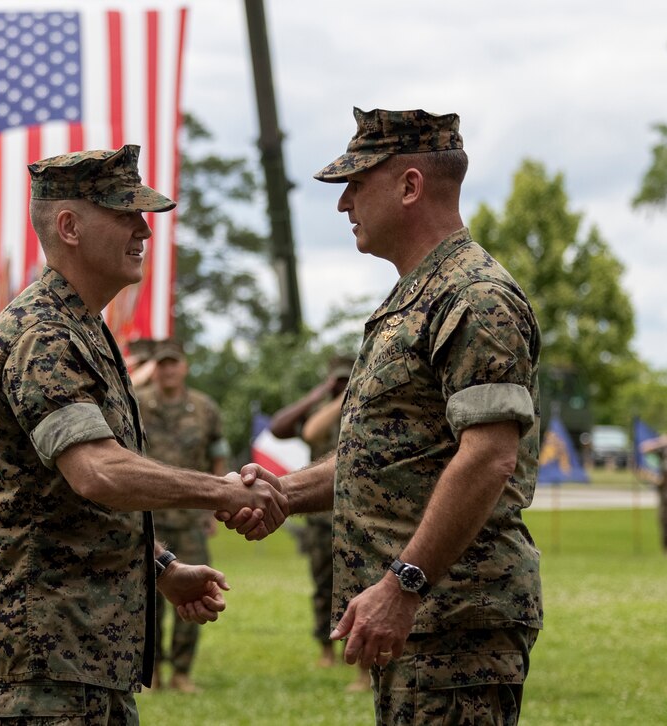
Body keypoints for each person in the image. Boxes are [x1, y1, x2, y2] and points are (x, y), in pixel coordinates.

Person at [223, 108, 543, 724]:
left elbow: (489, 455)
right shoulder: (417, 295)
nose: (344, 203)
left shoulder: (474, 297)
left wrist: (403, 585)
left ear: (410, 186)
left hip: (454, 618)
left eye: (356, 182)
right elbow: (387, 457)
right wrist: (284, 492)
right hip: (422, 617)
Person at [0, 145, 287, 724]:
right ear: (69, 226)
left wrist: (159, 567)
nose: (144, 230)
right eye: (124, 214)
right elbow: (98, 471)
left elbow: (61, 497)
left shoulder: (82, 331)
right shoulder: (43, 336)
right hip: (44, 666)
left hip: (81, 658)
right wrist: (221, 490)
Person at [268, 355, 371, 691]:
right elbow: (283, 428)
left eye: (347, 379)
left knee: (362, 584)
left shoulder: (369, 403)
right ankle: (326, 646)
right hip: (321, 516)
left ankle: (358, 659)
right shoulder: (320, 410)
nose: (343, 386)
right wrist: (321, 395)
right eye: (337, 380)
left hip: (361, 513)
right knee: (323, 584)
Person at [137, 339, 229, 693]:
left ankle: (182, 671)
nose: (168, 369)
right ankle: (153, 671)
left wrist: (214, 505)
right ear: (154, 369)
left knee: (194, 589)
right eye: (162, 364)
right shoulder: (140, 404)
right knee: (149, 596)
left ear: (185, 367)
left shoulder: (205, 408)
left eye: (174, 363)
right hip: (150, 514)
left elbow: (217, 454)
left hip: (192, 515)